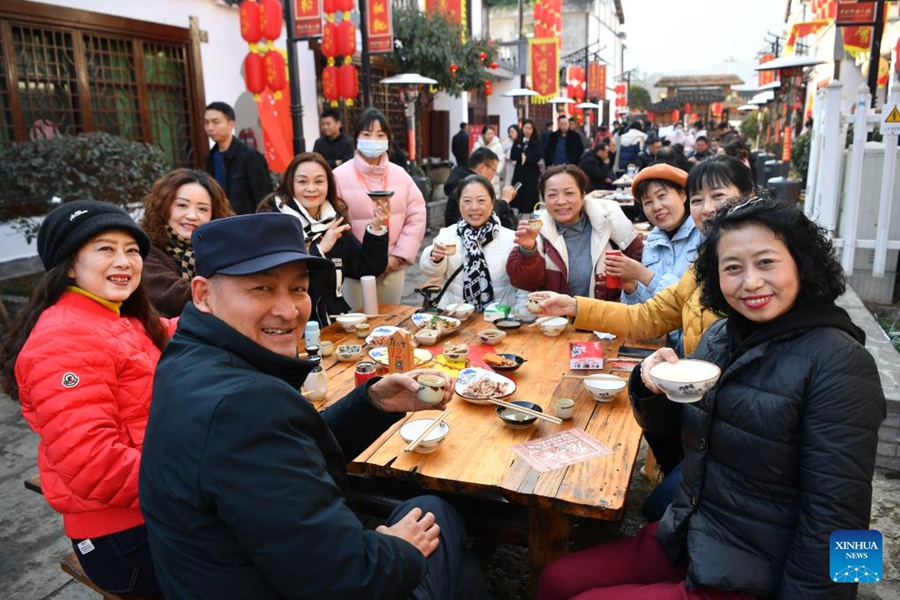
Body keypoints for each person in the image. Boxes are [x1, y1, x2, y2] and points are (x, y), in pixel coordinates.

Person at [537, 197, 886, 600]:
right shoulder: (721, 335)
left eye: (767, 262)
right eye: (733, 267)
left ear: (802, 264)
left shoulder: (841, 362)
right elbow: (679, 448)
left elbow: (846, 521)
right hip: (691, 532)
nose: (750, 282)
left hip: (758, 573)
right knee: (555, 580)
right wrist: (649, 386)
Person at [138, 213, 486, 599]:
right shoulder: (243, 405)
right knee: (441, 520)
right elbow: (345, 578)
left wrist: (371, 402)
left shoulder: (188, 356)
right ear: (202, 294)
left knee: (446, 541)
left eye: (298, 289)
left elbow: (286, 454)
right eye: (261, 289)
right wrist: (399, 548)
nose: (288, 311)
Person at [0, 201, 176, 598]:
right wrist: (193, 477)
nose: (124, 260)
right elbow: (94, 464)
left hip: (148, 509)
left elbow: (171, 331)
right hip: (125, 536)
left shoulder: (114, 316)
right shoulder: (63, 339)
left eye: (132, 250)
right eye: (105, 248)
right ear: (70, 266)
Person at [528, 155, 755, 357]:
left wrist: (643, 275)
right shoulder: (695, 253)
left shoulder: (738, 248)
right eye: (698, 200)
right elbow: (649, 314)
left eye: (718, 196)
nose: (706, 209)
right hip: (684, 363)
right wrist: (576, 306)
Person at [256, 152, 388, 326]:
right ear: (291, 184)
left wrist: (376, 227)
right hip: (291, 322)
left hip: (334, 322)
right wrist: (318, 250)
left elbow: (365, 268)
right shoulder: (274, 222)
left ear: (328, 185)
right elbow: (277, 276)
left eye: (319, 181)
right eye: (302, 181)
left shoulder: (333, 220)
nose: (311, 188)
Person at [506, 165, 643, 301]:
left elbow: (640, 263)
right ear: (544, 199)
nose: (561, 201)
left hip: (604, 318)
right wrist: (528, 251)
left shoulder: (610, 223)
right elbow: (526, 283)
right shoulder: (536, 234)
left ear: (583, 195)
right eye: (552, 195)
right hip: (556, 320)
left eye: (569, 193)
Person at [333, 107, 426, 305]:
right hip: (355, 271)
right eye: (366, 134)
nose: (373, 140)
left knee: (389, 322)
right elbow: (335, 223)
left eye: (380, 135)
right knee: (357, 325)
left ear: (388, 140)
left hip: (392, 268)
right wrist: (360, 260)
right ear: (356, 137)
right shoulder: (338, 176)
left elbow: (417, 215)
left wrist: (398, 257)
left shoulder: (400, 175)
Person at [611, 164, 700, 353]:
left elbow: (693, 300)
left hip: (696, 352)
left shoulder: (705, 235)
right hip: (662, 349)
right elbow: (645, 315)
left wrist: (643, 274)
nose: (656, 207)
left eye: (662, 196)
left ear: (683, 195)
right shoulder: (652, 240)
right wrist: (631, 288)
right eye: (647, 201)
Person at [140, 168, 234, 318]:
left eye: (202, 209)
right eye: (182, 205)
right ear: (163, 207)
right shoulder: (145, 250)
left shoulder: (222, 251)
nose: (192, 216)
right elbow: (174, 298)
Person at [421, 175, 519, 310]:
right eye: (467, 201)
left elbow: (522, 286)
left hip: (498, 321)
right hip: (454, 318)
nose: (474, 207)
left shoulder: (511, 239)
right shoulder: (448, 234)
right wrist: (434, 258)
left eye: (481, 201)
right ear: (459, 203)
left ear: (492, 203)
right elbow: (432, 272)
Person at [204, 101, 272, 215]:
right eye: (206, 123)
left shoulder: (250, 156)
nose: (210, 128)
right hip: (219, 221)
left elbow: (264, 198)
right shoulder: (210, 158)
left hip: (245, 223)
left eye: (216, 122)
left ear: (231, 124)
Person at [443, 146, 516, 229]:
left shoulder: (461, 180)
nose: (493, 176)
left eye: (481, 200)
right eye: (493, 171)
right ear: (482, 168)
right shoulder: (468, 187)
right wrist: (505, 200)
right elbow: (487, 216)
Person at [510, 118, 543, 215]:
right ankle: (518, 212)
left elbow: (538, 155)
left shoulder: (536, 141)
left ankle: (530, 213)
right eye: (526, 128)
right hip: (520, 171)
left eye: (530, 128)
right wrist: (521, 156)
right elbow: (513, 155)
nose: (527, 130)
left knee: (530, 195)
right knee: (518, 192)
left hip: (531, 172)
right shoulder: (518, 140)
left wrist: (527, 157)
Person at [471, 124, 505, 197]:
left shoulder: (497, 145)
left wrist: (496, 171)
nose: (490, 136)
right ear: (483, 134)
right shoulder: (477, 145)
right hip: (480, 174)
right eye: (488, 134)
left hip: (493, 174)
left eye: (492, 134)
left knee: (493, 195)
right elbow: (473, 158)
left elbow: (501, 160)